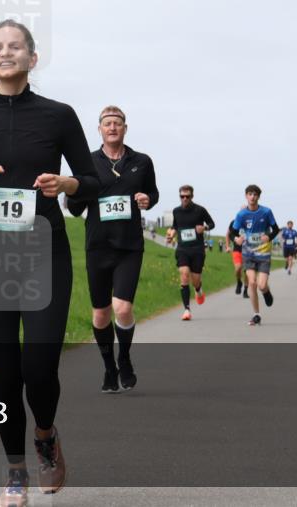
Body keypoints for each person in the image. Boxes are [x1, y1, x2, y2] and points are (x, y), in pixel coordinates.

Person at [0, 20, 98, 506]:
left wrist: (68, 185)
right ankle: (14, 473)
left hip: (44, 254)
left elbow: (91, 183)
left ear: (33, 57)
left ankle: (46, 435)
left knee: (39, 368)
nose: (6, 53)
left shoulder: (59, 115)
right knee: (5, 373)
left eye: (16, 46)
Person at [67, 106, 158, 394]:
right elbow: (75, 206)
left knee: (123, 307)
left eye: (117, 123)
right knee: (101, 314)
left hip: (129, 245)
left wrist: (147, 199)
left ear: (125, 128)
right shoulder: (88, 163)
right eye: (107, 123)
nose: (113, 128)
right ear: (100, 129)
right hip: (97, 246)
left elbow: (152, 193)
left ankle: (125, 358)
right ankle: (109, 367)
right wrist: (74, 193)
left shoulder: (141, 161)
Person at [231, 185, 280, 326]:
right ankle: (256, 314)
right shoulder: (241, 215)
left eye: (255, 194)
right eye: (250, 194)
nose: (252, 197)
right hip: (248, 253)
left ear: (259, 196)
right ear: (246, 196)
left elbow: (276, 229)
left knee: (262, 285)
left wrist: (269, 237)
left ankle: (266, 292)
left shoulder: (266, 212)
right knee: (252, 282)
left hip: (264, 253)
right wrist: (236, 239)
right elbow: (233, 231)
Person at [165, 186, 215, 321]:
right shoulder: (176, 211)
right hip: (182, 249)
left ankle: (198, 289)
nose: (185, 198)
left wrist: (204, 227)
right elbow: (175, 226)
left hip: (197, 249)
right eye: (182, 196)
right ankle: (187, 309)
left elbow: (212, 223)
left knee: (195, 279)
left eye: (187, 196)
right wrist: (171, 235)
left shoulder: (200, 210)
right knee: (184, 274)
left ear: (192, 196)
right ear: (179, 196)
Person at [226, 219, 249, 298]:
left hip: (249, 250)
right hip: (237, 249)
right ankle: (239, 282)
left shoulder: (251, 221)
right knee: (238, 268)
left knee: (247, 272)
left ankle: (246, 290)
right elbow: (228, 234)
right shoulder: (235, 222)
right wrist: (228, 246)